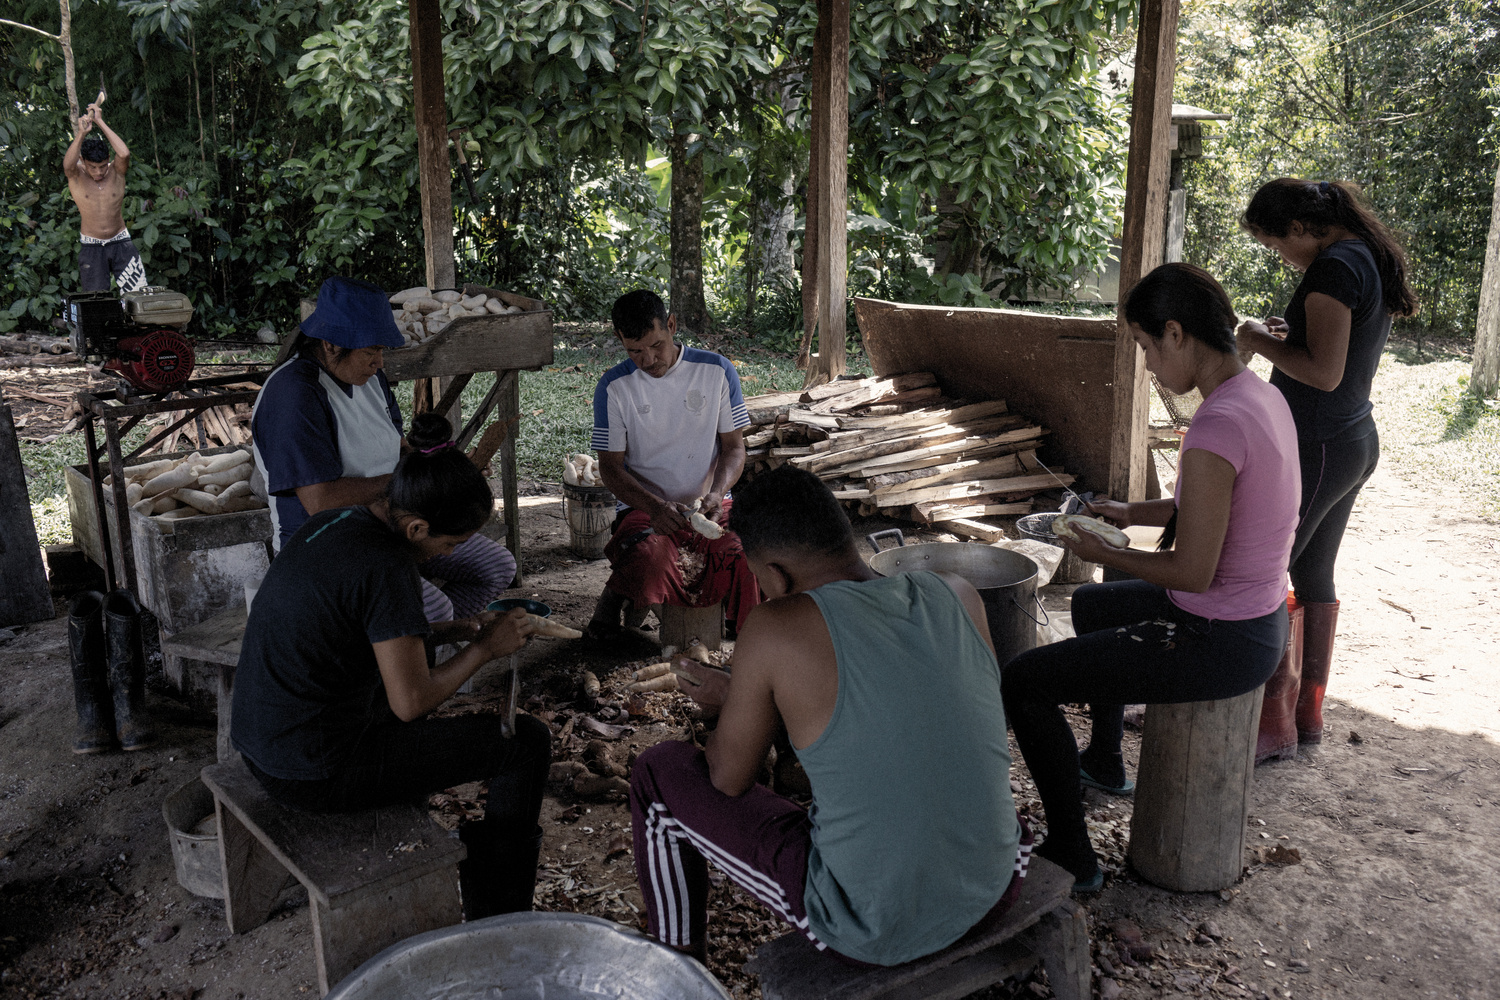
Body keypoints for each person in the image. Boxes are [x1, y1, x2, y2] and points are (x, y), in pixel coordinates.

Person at [629, 466, 1031, 966]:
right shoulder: (955, 592)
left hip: (875, 925)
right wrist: (750, 693)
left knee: (657, 775)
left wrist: (733, 703)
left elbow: (727, 779)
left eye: (757, 578)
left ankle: (676, 967)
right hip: (995, 885)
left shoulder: (775, 625)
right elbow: (890, 702)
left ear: (774, 575)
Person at [1001, 263, 1300, 891]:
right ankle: (1105, 760)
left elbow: (1191, 570)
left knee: (1024, 682)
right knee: (1091, 605)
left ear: (1175, 333)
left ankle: (1072, 856)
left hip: (1221, 637)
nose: (1148, 365)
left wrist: (1097, 542)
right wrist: (1128, 515)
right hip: (1258, 616)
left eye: (1145, 348)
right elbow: (1213, 504)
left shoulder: (1216, 426)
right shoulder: (1258, 396)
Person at [231, 414, 551, 919]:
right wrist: (485, 650)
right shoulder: (389, 568)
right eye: (447, 545)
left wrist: (459, 629)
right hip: (312, 772)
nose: (445, 556)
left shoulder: (334, 522)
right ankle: (500, 911)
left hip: (259, 740)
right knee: (527, 743)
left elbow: (351, 631)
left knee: (421, 660)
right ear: (416, 526)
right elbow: (411, 704)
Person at [1236, 178, 1419, 757]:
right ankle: (1301, 719)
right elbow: (1338, 348)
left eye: (1273, 245)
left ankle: (1269, 721)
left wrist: (1253, 339)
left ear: (1298, 229)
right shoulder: (1360, 253)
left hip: (1319, 444)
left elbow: (1324, 373)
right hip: (1350, 441)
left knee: (1261, 574)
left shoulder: (1334, 270)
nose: (1278, 256)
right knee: (1312, 576)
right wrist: (1290, 338)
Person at [251, 276, 516, 625]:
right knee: (435, 609)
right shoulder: (295, 395)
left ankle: (420, 647)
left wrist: (444, 472)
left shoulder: (369, 378)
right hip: (328, 545)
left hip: (392, 523)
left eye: (381, 350)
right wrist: (406, 481)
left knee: (498, 567)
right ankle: (408, 663)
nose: (379, 362)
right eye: (370, 351)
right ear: (330, 345)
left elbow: (401, 448)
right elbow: (320, 501)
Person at [588, 289, 759, 637]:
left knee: (747, 556)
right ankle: (619, 615)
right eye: (634, 351)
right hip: (642, 508)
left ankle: (747, 636)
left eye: (656, 345)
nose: (648, 359)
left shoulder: (716, 371)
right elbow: (610, 468)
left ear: (671, 324)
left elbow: (734, 449)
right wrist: (653, 507)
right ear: (620, 341)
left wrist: (716, 492)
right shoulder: (614, 387)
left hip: (711, 504)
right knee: (649, 559)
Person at [64, 103, 147, 293]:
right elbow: (67, 164)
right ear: (83, 162)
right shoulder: (76, 175)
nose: (99, 172)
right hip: (91, 246)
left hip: (121, 242)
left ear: (108, 159)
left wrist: (99, 121)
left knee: (138, 298)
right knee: (97, 304)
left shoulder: (116, 171)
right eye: (93, 167)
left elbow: (124, 153)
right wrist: (81, 133)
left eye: (102, 166)